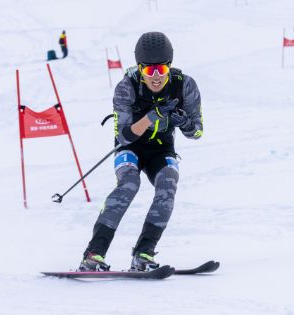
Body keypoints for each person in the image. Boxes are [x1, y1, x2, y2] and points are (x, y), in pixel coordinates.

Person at [79, 32, 203, 272]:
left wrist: (184, 122)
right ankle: (93, 254)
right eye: (148, 71)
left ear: (169, 66)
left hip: (161, 148)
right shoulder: (127, 87)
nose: (156, 77)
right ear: (139, 68)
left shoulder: (185, 85)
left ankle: (143, 253)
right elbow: (124, 136)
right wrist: (152, 116)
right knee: (129, 183)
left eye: (161, 70)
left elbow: (197, 132)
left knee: (168, 183)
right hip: (130, 148)